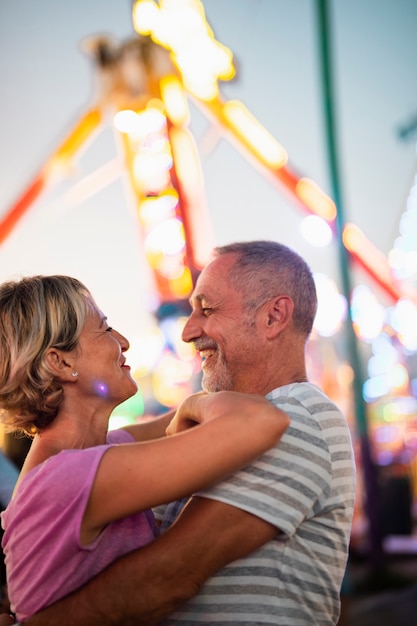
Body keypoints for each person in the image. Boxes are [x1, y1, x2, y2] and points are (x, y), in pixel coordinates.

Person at [2, 240, 356, 626]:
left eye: (207, 309)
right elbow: (163, 580)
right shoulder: (76, 471)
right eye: (105, 329)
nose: (187, 331)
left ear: (273, 317)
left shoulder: (296, 414)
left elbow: (168, 576)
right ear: (60, 361)